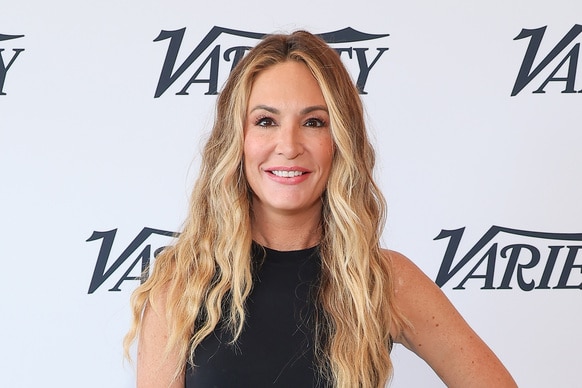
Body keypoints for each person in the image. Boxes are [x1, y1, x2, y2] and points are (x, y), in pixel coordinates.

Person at [124, 30, 517, 388]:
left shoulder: (383, 280)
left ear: (339, 141)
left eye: (313, 122)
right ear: (236, 140)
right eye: (265, 121)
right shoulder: (181, 283)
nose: (289, 145)